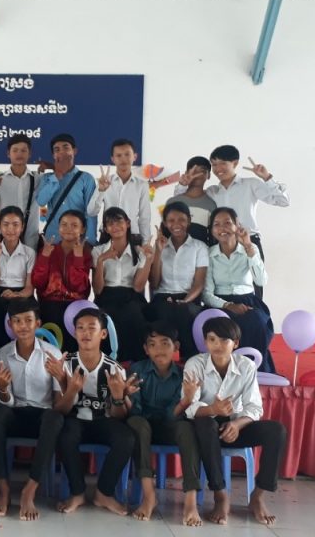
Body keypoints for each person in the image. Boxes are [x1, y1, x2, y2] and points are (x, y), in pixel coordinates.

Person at [184, 317, 288, 526]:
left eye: (224, 340)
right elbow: (189, 408)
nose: (218, 345)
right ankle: (220, 495)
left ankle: (258, 496)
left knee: (276, 430)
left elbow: (254, 407)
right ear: (205, 342)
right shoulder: (195, 364)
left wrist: (237, 425)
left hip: (237, 426)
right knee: (205, 424)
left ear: (236, 343)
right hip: (206, 428)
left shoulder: (246, 366)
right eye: (212, 339)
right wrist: (213, 409)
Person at [0, 297, 64, 521]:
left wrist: (63, 379)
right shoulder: (2, 354)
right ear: (10, 325)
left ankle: (30, 490)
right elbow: (5, 402)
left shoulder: (52, 354)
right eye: (17, 321)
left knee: (55, 418)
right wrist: (2, 388)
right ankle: (4, 491)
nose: (23, 326)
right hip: (15, 413)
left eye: (28, 320)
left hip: (42, 416)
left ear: (38, 323)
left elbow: (58, 402)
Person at [54, 308, 136, 516]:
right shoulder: (66, 364)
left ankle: (104, 493)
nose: (86, 333)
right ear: (74, 333)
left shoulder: (114, 368)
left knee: (126, 438)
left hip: (103, 421)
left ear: (103, 334)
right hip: (74, 419)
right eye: (80, 328)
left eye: (92, 328)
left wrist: (117, 396)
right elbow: (59, 410)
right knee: (65, 435)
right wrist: (71, 390)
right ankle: (77, 493)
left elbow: (119, 416)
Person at [176, 144, 289, 296]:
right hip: (220, 244)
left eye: (223, 163)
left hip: (248, 241)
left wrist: (267, 177)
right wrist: (183, 185)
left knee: (255, 289)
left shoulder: (250, 184)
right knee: (218, 291)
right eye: (214, 165)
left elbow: (283, 201)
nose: (218, 169)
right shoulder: (212, 192)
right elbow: (181, 204)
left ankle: (255, 311)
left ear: (235, 163)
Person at [125, 322, 203, 525]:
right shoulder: (137, 370)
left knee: (186, 428)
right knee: (137, 423)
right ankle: (149, 495)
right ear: (146, 349)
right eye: (152, 344)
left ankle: (190, 500)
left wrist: (186, 401)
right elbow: (135, 410)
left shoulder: (184, 374)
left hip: (170, 426)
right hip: (143, 426)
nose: (159, 349)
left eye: (165, 343)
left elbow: (173, 415)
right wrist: (123, 395)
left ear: (176, 346)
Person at [205, 207, 276, 373]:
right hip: (220, 303)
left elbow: (261, 281)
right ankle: (225, 370)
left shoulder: (249, 249)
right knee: (222, 326)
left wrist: (249, 247)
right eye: (217, 224)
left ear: (237, 225)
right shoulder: (209, 254)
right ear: (212, 230)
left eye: (227, 223)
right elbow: (206, 294)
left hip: (248, 300)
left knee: (257, 321)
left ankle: (256, 369)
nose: (222, 228)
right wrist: (228, 305)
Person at [92, 207, 153, 362]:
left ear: (128, 223)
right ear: (106, 229)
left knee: (133, 314)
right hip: (106, 295)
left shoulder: (139, 252)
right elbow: (97, 289)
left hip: (130, 295)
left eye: (119, 221)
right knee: (105, 317)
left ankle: (134, 363)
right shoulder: (98, 251)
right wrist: (101, 261)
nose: (115, 226)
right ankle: (107, 362)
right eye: (110, 223)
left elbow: (138, 287)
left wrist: (148, 260)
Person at [148, 202, 208, 359]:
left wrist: (185, 300)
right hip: (163, 297)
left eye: (181, 219)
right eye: (171, 220)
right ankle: (162, 359)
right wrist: (158, 252)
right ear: (165, 223)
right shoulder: (159, 246)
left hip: (189, 298)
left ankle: (189, 359)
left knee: (184, 311)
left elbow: (199, 283)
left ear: (189, 220)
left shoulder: (199, 247)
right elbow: (154, 283)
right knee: (163, 310)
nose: (176, 224)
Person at [31, 210, 92, 354]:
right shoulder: (48, 249)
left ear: (82, 229)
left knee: (71, 350)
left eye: (74, 225)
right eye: (64, 224)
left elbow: (79, 286)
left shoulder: (85, 253)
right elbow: (38, 283)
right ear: (58, 228)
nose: (68, 229)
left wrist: (78, 258)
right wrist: (44, 257)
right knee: (49, 349)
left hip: (75, 307)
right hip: (49, 305)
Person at [0, 206, 36, 346]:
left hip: (21, 294)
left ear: (22, 227)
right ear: (0, 226)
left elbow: (29, 288)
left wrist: (17, 295)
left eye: (15, 224)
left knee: (24, 309)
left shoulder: (29, 253)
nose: (10, 229)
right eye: (6, 224)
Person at [35, 134, 98, 246]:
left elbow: (91, 212)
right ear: (54, 155)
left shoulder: (86, 178)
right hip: (52, 240)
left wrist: (89, 241)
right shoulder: (47, 178)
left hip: (78, 241)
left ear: (74, 151)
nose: (62, 152)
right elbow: (41, 201)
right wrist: (57, 176)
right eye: (57, 150)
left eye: (66, 148)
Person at [0, 134, 43, 248]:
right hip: (4, 240)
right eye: (15, 150)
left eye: (23, 150)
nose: (19, 154)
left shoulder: (38, 179)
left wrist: (52, 168)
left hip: (30, 241)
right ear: (8, 153)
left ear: (30, 153)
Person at [87, 139, 152, 243]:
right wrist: (101, 190)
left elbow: (144, 217)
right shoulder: (105, 182)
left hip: (132, 236)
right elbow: (91, 211)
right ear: (113, 159)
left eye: (127, 154)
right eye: (118, 155)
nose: (123, 159)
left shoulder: (142, 185)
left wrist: (146, 243)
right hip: (108, 234)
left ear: (135, 157)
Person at [166, 156, 217, 245]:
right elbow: (166, 233)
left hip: (201, 252)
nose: (197, 175)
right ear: (186, 173)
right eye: (194, 171)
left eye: (202, 171)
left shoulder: (211, 204)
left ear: (208, 175)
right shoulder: (173, 202)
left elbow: (213, 237)